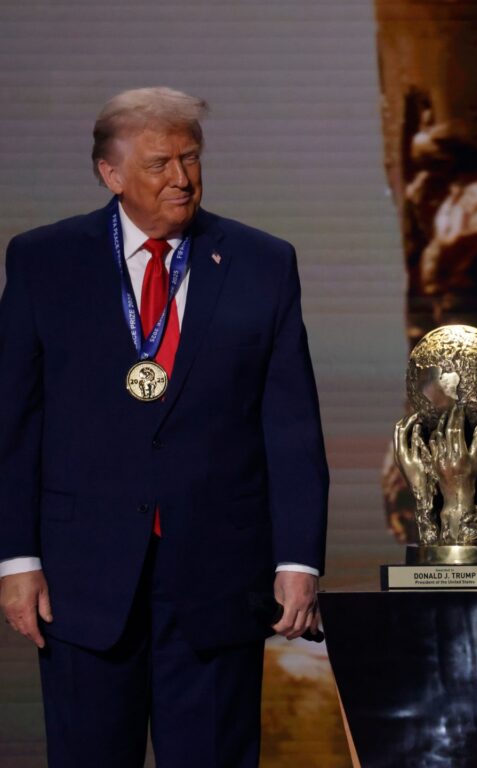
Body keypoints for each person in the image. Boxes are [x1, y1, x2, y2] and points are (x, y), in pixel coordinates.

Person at [0, 87, 329, 767]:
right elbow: (15, 422)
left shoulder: (263, 263)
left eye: (191, 158)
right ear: (111, 174)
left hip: (218, 581)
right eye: (159, 164)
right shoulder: (42, 261)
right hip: (82, 580)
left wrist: (298, 561)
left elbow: (291, 425)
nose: (181, 178)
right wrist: (17, 560)